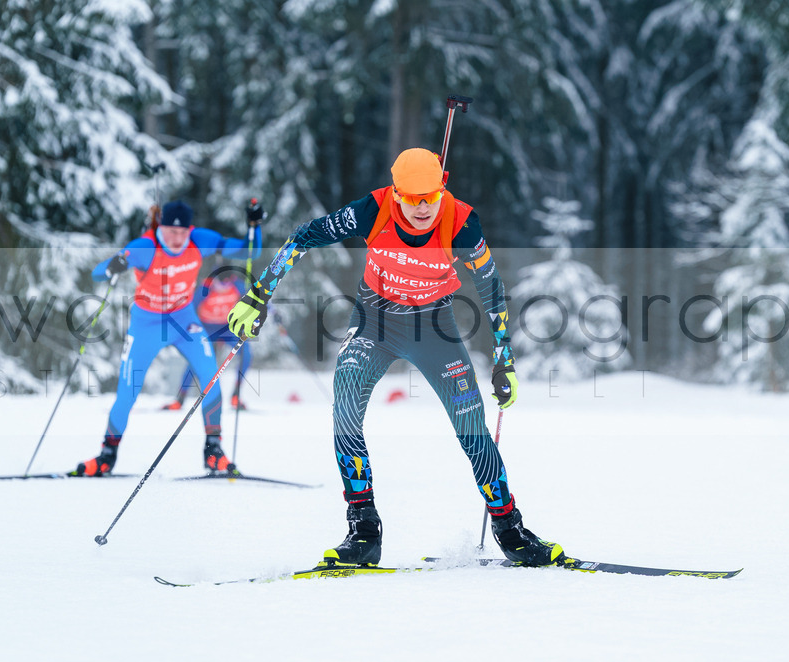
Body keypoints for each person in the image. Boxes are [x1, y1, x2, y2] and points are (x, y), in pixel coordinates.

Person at [228, 148, 564, 567]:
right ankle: (364, 529)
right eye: (412, 197)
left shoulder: (460, 221)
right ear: (396, 193)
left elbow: (491, 288)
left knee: (470, 423)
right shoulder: (373, 209)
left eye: (431, 197)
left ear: (443, 187)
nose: (422, 207)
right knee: (345, 397)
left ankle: (510, 530)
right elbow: (304, 236)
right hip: (375, 321)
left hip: (434, 328)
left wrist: (504, 358)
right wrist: (259, 294)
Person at [71, 200, 262, 476]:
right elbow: (98, 272)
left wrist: (254, 226)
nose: (177, 238)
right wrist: (116, 263)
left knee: (212, 379)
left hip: (184, 322)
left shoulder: (200, 240)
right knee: (128, 392)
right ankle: (106, 456)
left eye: (182, 232)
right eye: (171, 232)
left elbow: (250, 251)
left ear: (190, 229)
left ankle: (213, 452)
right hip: (146, 324)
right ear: (160, 227)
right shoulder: (145, 247)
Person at [162, 264, 253, 411]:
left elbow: (255, 298)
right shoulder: (206, 289)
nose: (223, 287)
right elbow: (188, 307)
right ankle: (180, 399)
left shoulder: (237, 285)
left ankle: (235, 395)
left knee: (246, 354)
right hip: (208, 328)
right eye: (220, 283)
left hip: (227, 328)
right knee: (196, 358)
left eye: (226, 283)